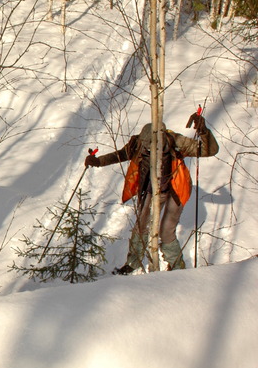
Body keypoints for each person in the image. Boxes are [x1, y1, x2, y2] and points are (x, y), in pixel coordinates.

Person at [84, 112, 218, 274]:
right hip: (150, 189)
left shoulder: (174, 141)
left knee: (166, 230)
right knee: (141, 227)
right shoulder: (137, 143)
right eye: (147, 147)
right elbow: (121, 155)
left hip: (174, 190)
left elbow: (207, 150)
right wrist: (98, 161)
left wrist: (203, 131)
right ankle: (132, 264)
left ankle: (177, 268)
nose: (149, 149)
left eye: (154, 147)